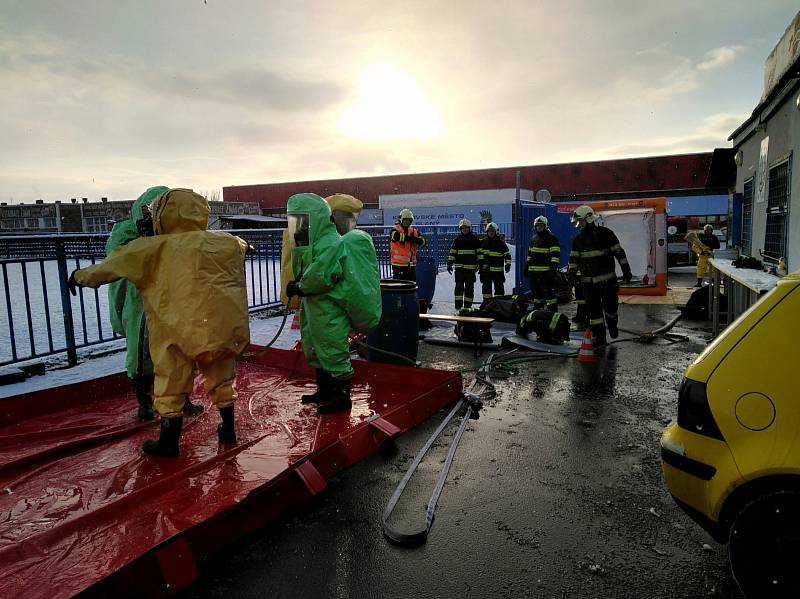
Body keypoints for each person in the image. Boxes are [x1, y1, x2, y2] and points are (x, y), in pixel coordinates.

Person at [67, 189, 250, 457]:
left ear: (164, 215)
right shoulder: (226, 243)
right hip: (217, 329)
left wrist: (80, 276)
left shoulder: (152, 248)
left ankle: (169, 442)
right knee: (222, 379)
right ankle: (229, 429)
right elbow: (242, 245)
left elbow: (111, 265)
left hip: (174, 331)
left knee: (171, 382)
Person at [105, 186, 203, 421]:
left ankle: (182, 399)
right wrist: (138, 228)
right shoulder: (128, 233)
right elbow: (114, 253)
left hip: (172, 304)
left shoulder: (175, 234)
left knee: (180, 353)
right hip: (140, 307)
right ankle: (145, 404)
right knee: (141, 357)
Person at [285, 193, 381, 414]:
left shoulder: (329, 241)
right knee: (315, 348)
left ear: (315, 218)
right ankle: (325, 390)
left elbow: (324, 274)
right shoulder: (314, 242)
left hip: (328, 309)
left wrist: (300, 287)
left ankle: (342, 396)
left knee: (332, 348)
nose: (298, 225)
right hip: (315, 307)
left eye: (302, 219)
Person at [567, 205, 632, 346]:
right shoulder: (577, 240)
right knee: (594, 313)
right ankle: (600, 336)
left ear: (589, 219)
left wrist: (626, 270)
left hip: (607, 281)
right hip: (588, 284)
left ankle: (612, 325)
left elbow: (619, 253)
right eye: (577, 222)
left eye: (581, 221)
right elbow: (573, 260)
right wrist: (571, 274)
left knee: (611, 308)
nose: (579, 225)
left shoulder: (606, 234)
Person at [526, 215, 560, 312]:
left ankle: (552, 312)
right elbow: (530, 254)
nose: (539, 227)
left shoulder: (551, 238)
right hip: (534, 273)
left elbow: (555, 255)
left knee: (550, 295)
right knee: (536, 294)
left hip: (546, 273)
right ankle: (538, 311)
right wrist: (526, 266)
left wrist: (552, 269)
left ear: (545, 226)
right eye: (537, 225)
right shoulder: (534, 238)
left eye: (541, 225)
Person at [447, 218, 481, 311]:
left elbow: (479, 253)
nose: (465, 229)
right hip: (459, 269)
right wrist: (449, 263)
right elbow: (452, 253)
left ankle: (467, 307)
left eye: (466, 228)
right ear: (460, 229)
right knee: (459, 288)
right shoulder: (457, 240)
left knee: (469, 288)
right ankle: (458, 307)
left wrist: (480, 264)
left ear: (470, 228)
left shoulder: (475, 239)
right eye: (463, 228)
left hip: (470, 270)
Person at [478, 222, 512, 302]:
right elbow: (478, 255)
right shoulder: (482, 242)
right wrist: (479, 264)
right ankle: (487, 304)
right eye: (489, 231)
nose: (491, 233)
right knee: (486, 289)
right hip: (485, 271)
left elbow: (507, 254)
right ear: (487, 232)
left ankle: (499, 305)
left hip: (498, 272)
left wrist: (508, 264)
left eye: (492, 231)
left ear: (496, 232)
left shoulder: (501, 243)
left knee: (499, 290)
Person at [389, 208, 425, 281]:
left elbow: (423, 242)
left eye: (408, 220)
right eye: (405, 220)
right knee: (399, 289)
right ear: (401, 220)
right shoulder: (395, 229)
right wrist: (411, 239)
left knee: (411, 288)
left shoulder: (414, 231)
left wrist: (416, 240)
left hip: (411, 266)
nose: (407, 222)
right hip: (398, 266)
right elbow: (396, 236)